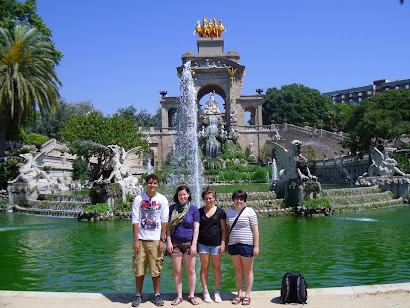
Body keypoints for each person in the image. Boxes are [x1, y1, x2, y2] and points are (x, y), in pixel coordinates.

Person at [131, 174, 169, 307]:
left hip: (155, 240)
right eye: (150, 183)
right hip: (141, 239)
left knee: (156, 269)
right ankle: (138, 295)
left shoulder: (162, 199)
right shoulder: (138, 199)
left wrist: (162, 239)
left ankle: (157, 294)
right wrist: (136, 240)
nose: (152, 185)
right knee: (139, 268)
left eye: (155, 183)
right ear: (146, 184)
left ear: (158, 184)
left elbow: (165, 221)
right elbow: (135, 220)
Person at [167, 185, 200, 306]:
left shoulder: (193, 209)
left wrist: (194, 244)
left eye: (184, 194)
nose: (182, 197)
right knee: (177, 270)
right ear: (177, 196)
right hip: (175, 243)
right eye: (180, 195)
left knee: (191, 270)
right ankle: (179, 296)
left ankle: (192, 295)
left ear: (188, 195)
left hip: (189, 243)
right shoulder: (171, 209)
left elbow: (196, 228)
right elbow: (168, 227)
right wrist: (168, 241)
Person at [226, 190, 259, 306]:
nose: (238, 201)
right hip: (233, 244)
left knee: (248, 270)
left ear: (244, 200)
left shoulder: (250, 211)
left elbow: (255, 230)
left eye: (241, 199)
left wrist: (256, 246)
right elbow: (227, 229)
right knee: (238, 270)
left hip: (247, 244)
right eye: (236, 198)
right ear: (233, 199)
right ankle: (239, 293)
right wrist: (226, 244)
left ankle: (247, 295)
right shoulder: (229, 211)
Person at [198, 186, 227, 303]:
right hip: (203, 243)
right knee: (204, 267)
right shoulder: (199, 211)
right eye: (206, 198)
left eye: (210, 198)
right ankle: (205, 292)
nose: (208, 200)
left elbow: (224, 229)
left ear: (214, 198)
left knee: (216, 267)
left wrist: (223, 243)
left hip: (216, 243)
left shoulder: (220, 212)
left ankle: (216, 292)